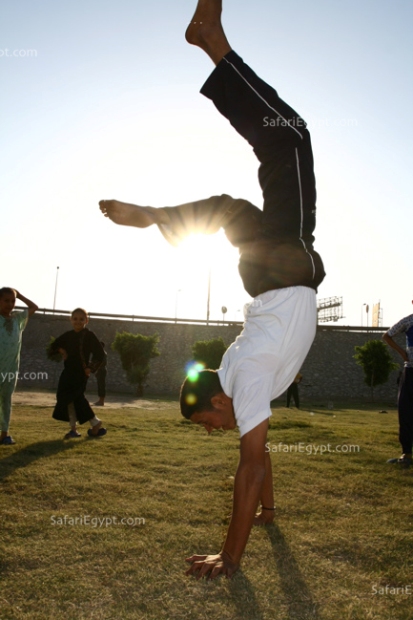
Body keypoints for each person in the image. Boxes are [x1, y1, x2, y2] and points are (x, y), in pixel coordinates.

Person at [100, 0, 325, 578]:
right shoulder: (235, 373)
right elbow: (263, 451)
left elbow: (250, 466)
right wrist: (270, 510)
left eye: (210, 425)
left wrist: (230, 556)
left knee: (289, 140)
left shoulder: (243, 380)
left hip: (282, 271)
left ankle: (210, 41)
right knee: (258, 173)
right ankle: (210, 46)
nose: (216, 433)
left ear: (219, 404)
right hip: (275, 269)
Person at [49, 308, 107, 439]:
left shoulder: (89, 335)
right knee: (67, 399)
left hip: (81, 373)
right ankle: (74, 430)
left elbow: (100, 354)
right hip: (68, 372)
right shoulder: (68, 335)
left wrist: (90, 368)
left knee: (77, 398)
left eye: (81, 319)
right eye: (75, 319)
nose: (78, 322)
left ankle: (95, 423)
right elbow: (53, 346)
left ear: (86, 321)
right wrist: (61, 350)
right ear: (71, 320)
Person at [0, 287, 38, 445]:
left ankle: (4, 434)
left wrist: (19, 294)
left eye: (13, 301)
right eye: (6, 300)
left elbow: (33, 307)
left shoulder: (18, 319)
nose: (10, 304)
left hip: (10, 369)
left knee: (6, 400)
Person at [383, 314, 413, 468]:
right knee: (406, 411)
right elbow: (387, 336)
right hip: (410, 372)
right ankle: (406, 453)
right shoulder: (409, 321)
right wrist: (403, 353)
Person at [94, 341, 107, 406]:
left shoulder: (103, 353)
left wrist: (97, 369)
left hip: (101, 370)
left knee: (101, 385)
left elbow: (102, 363)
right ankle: (100, 400)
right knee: (100, 385)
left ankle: (101, 401)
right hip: (100, 370)